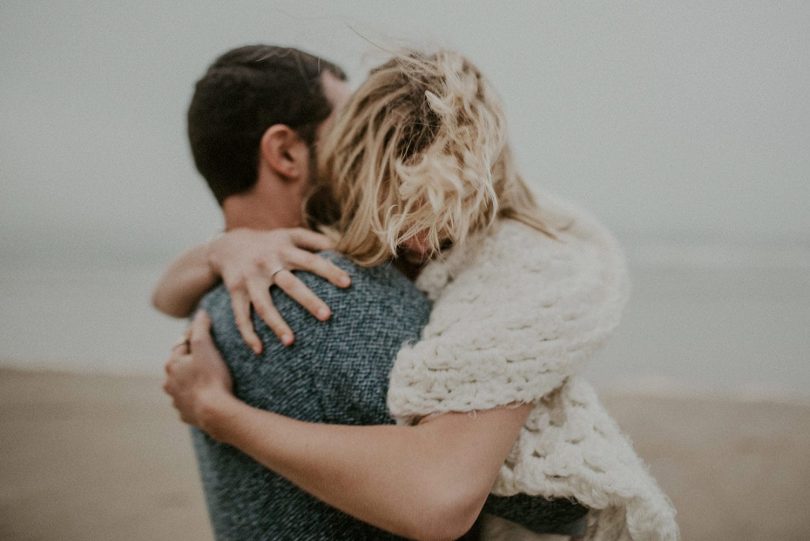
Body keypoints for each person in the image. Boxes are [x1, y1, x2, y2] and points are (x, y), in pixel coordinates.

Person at [160, 48, 679, 540]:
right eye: (348, 124)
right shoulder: (330, 300)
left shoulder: (215, 304)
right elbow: (549, 500)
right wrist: (217, 412)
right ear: (285, 152)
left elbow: (163, 296)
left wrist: (223, 251)